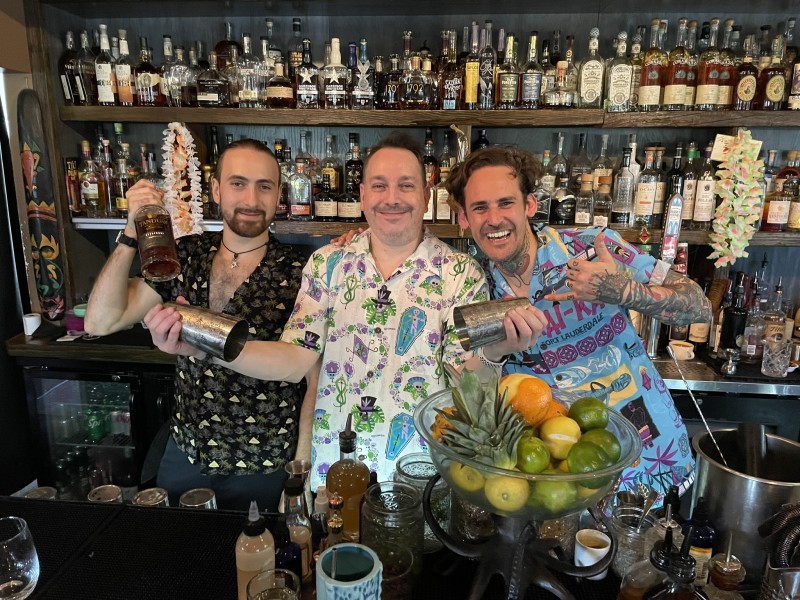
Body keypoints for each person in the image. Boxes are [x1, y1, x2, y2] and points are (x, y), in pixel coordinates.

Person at [142, 133, 547, 490]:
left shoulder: (461, 273)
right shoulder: (327, 263)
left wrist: (494, 352)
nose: (392, 198)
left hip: (422, 474)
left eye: (406, 185)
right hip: (334, 470)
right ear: (363, 196)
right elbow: (295, 360)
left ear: (426, 197)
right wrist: (206, 346)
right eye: (379, 185)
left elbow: (467, 385)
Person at [446, 146, 712, 499]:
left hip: (650, 459)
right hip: (558, 477)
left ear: (529, 205)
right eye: (480, 207)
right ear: (464, 219)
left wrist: (623, 290)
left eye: (505, 203)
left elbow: (699, 306)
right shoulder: (472, 286)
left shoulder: (591, 247)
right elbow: (472, 392)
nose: (494, 219)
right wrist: (495, 353)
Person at [84, 139, 316, 511]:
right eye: (238, 183)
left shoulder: (302, 270)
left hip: (263, 461)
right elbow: (100, 320)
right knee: (180, 547)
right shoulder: (185, 254)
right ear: (216, 190)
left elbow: (301, 368)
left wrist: (301, 471)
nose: (251, 199)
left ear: (279, 195)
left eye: (264, 186)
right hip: (186, 454)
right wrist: (130, 234)